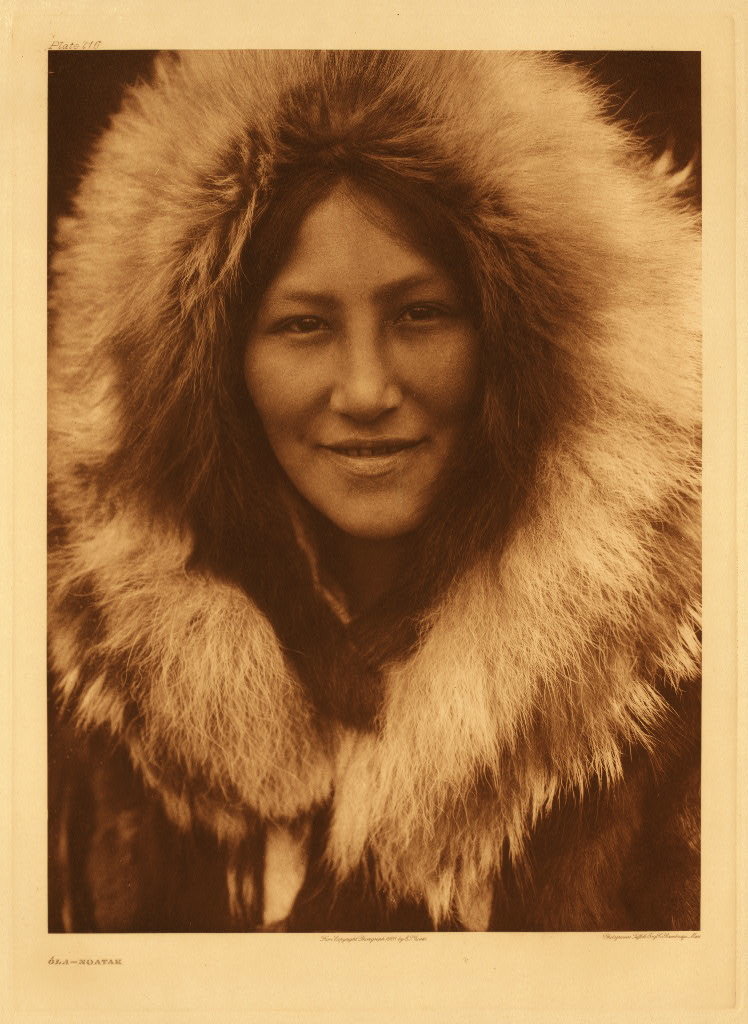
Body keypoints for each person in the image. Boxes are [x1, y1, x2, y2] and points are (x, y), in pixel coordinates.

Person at [47, 50, 701, 932]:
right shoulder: (100, 692)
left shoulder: (683, 694)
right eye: (303, 325)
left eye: (420, 314)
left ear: (523, 344)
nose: (364, 390)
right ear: (211, 370)